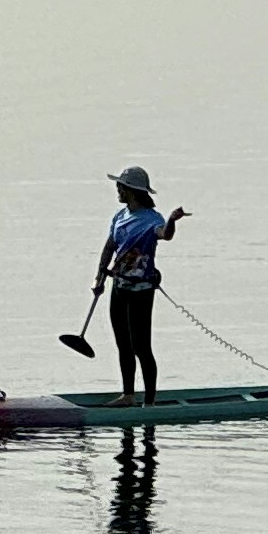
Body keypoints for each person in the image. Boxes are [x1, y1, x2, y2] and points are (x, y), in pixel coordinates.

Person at [91, 165, 189, 401]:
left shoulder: (151, 219)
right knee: (123, 345)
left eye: (120, 187)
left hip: (141, 291)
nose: (117, 190)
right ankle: (128, 395)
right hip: (119, 287)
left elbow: (165, 234)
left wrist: (173, 220)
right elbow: (109, 247)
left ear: (132, 191)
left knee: (142, 348)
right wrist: (100, 277)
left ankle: (150, 402)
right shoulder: (119, 216)